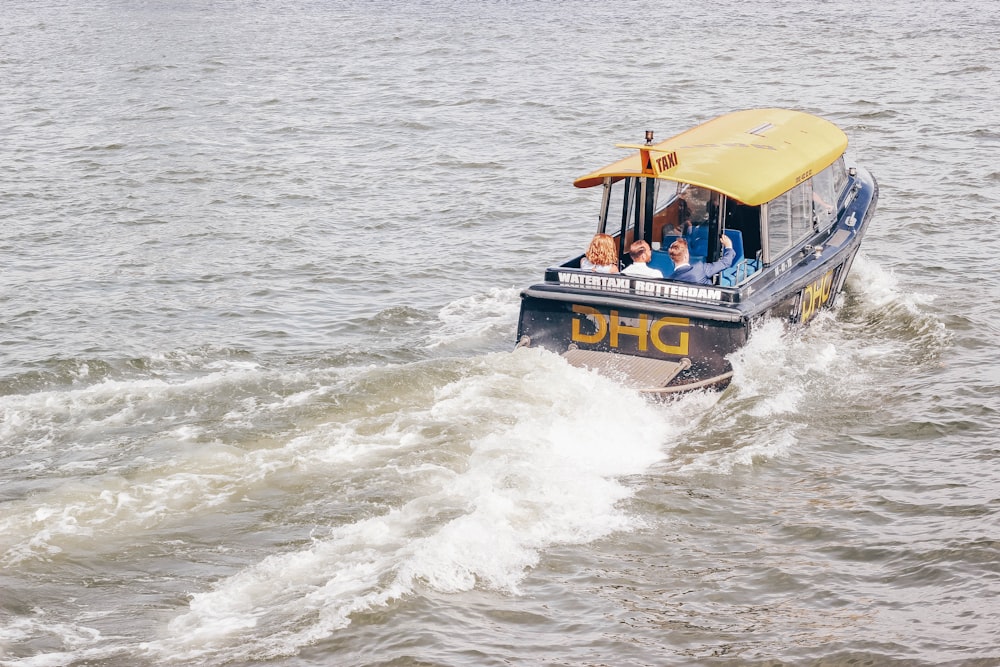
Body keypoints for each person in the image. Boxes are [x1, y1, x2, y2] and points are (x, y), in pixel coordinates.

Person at [668, 235, 736, 284]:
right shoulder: (700, 268)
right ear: (686, 255)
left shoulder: (670, 280)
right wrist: (728, 246)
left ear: (672, 259)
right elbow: (725, 263)